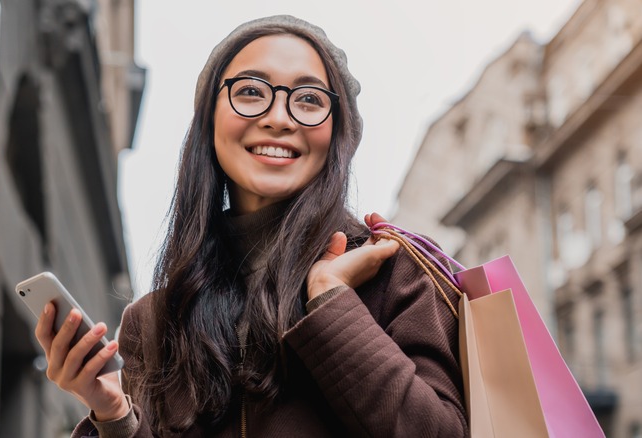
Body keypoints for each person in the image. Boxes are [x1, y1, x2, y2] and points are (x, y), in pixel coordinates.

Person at [35, 15, 468, 437]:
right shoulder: (151, 322)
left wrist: (332, 303)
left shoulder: (396, 273)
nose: (279, 118)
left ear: (339, 134)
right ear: (210, 121)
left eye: (309, 99)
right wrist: (113, 415)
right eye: (250, 92)